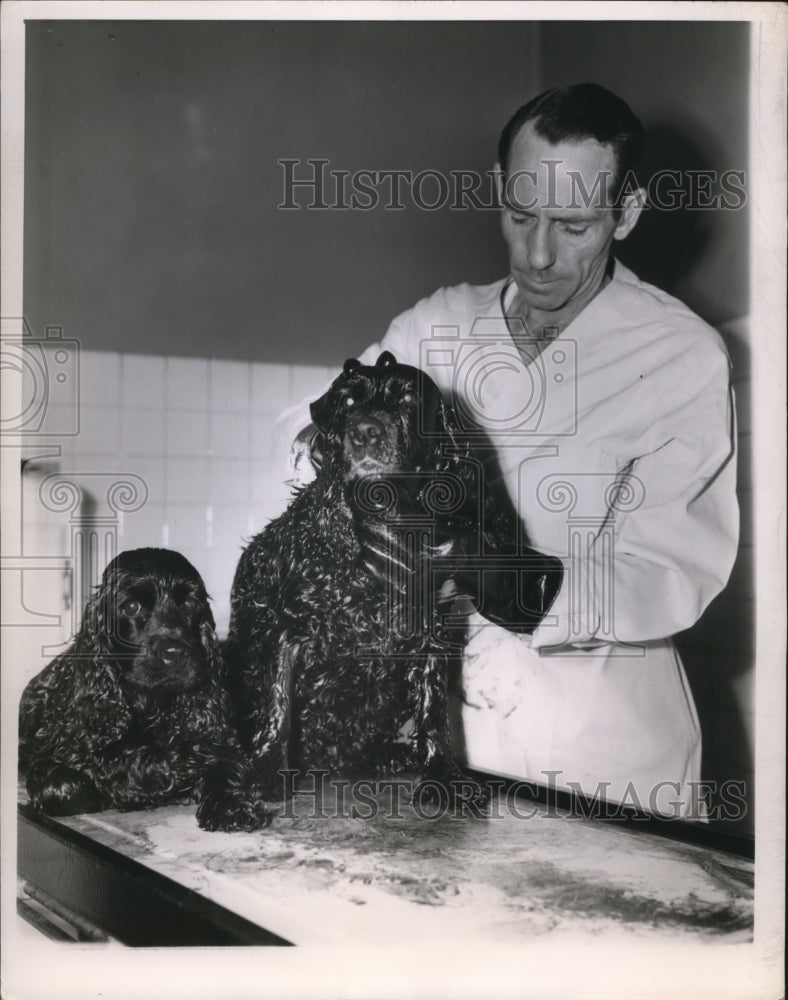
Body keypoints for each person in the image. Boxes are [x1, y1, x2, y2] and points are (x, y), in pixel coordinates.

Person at [279, 84, 738, 819]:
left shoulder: (681, 354)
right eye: (521, 215)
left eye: (574, 225)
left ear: (626, 214)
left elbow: (677, 570)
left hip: (606, 748)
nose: (538, 254)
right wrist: (343, 468)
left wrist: (517, 584)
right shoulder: (440, 324)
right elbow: (303, 447)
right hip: (450, 728)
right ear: (499, 187)